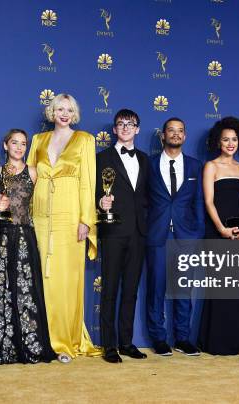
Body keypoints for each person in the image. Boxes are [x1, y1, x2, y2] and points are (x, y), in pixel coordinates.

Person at [26, 93, 99, 363]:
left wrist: (86, 220)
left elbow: (87, 182)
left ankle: (66, 341)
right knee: (42, 278)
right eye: (59, 109)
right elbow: (29, 179)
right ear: (51, 112)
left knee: (67, 281)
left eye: (69, 109)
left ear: (75, 113)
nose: (64, 113)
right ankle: (42, 340)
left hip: (71, 218)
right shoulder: (38, 140)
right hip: (41, 217)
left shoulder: (85, 140)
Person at [0, 129, 56, 365]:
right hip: (0, 235)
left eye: (23, 144)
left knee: (26, 290)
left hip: (24, 235)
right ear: (5, 145)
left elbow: (42, 205)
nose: (19, 147)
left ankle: (29, 344)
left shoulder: (33, 172)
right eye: (14, 142)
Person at [146, 117, 205, 357]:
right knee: (156, 288)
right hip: (157, 235)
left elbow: (199, 201)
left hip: (186, 236)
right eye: (171, 130)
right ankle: (158, 338)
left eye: (180, 131)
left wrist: (198, 231)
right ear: (163, 136)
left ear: (185, 136)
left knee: (183, 289)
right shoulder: (148, 164)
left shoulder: (194, 165)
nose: (176, 134)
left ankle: (182, 338)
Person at [197, 116, 239, 356]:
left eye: (234, 139)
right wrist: (221, 229)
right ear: (217, 142)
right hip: (217, 233)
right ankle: (217, 344)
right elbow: (209, 201)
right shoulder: (211, 166)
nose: (230, 143)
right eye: (225, 140)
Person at [97, 109, 149, 363]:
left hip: (138, 233)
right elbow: (93, 191)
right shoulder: (100, 158)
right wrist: (100, 202)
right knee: (109, 290)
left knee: (130, 290)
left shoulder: (146, 159)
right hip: (112, 231)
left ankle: (127, 342)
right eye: (121, 124)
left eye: (131, 124)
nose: (126, 128)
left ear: (137, 129)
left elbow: (148, 196)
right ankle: (109, 346)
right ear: (115, 130)